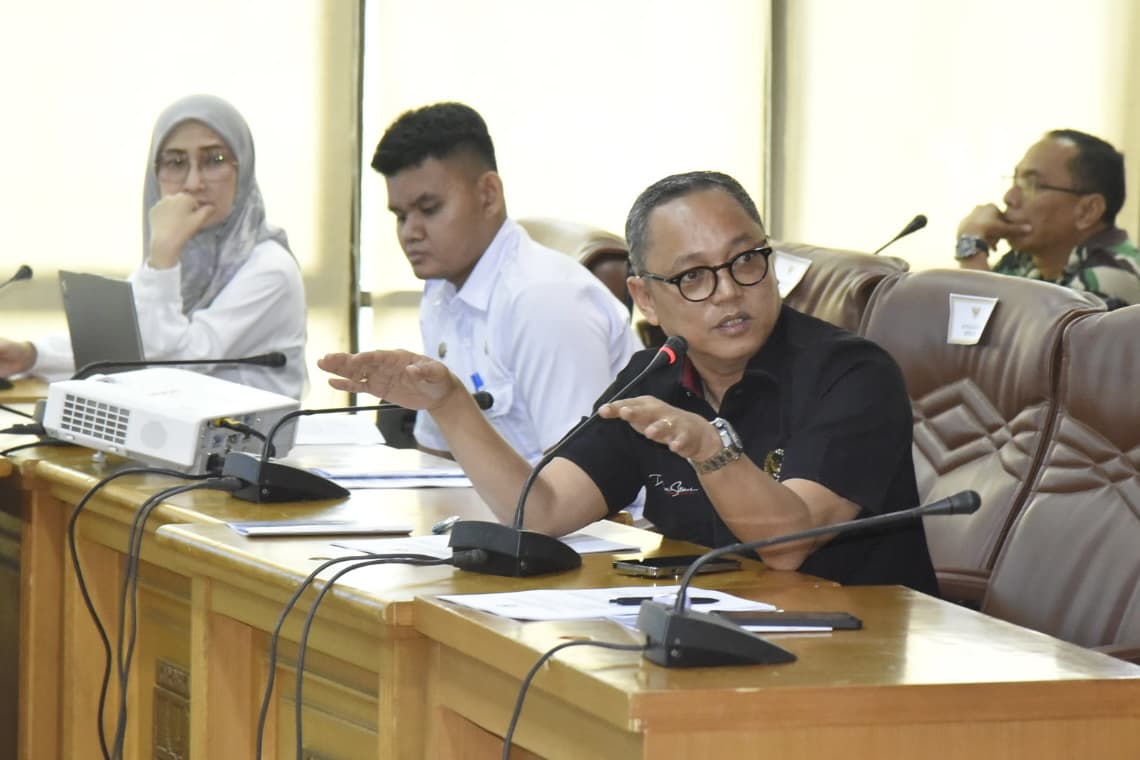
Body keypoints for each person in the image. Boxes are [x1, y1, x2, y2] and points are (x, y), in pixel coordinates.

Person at [319, 171, 938, 594]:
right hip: (716, 631)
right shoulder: (657, 377)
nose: (728, 291)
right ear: (644, 297)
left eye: (746, 260)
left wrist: (711, 450)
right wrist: (451, 404)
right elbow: (541, 510)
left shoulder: (852, 375)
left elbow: (787, 545)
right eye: (693, 277)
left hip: (854, 652)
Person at [369, 102, 641, 463]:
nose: (410, 233)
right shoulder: (441, 291)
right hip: (490, 496)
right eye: (401, 216)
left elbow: (579, 478)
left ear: (489, 195)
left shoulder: (544, 301)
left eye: (429, 209)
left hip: (587, 499)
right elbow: (436, 458)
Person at [0, 94, 307, 399]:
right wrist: (31, 355)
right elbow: (124, 347)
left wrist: (163, 256)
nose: (193, 183)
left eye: (214, 160)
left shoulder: (269, 269)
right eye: (176, 162)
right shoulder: (179, 256)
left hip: (250, 432)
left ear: (244, 170)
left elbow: (171, 367)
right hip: (172, 425)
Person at [955, 129, 1140, 310]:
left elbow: (980, 326)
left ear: (1088, 211)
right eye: (1016, 180)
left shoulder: (1114, 274)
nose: (1010, 197)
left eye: (1032, 184)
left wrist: (971, 251)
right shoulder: (1025, 260)